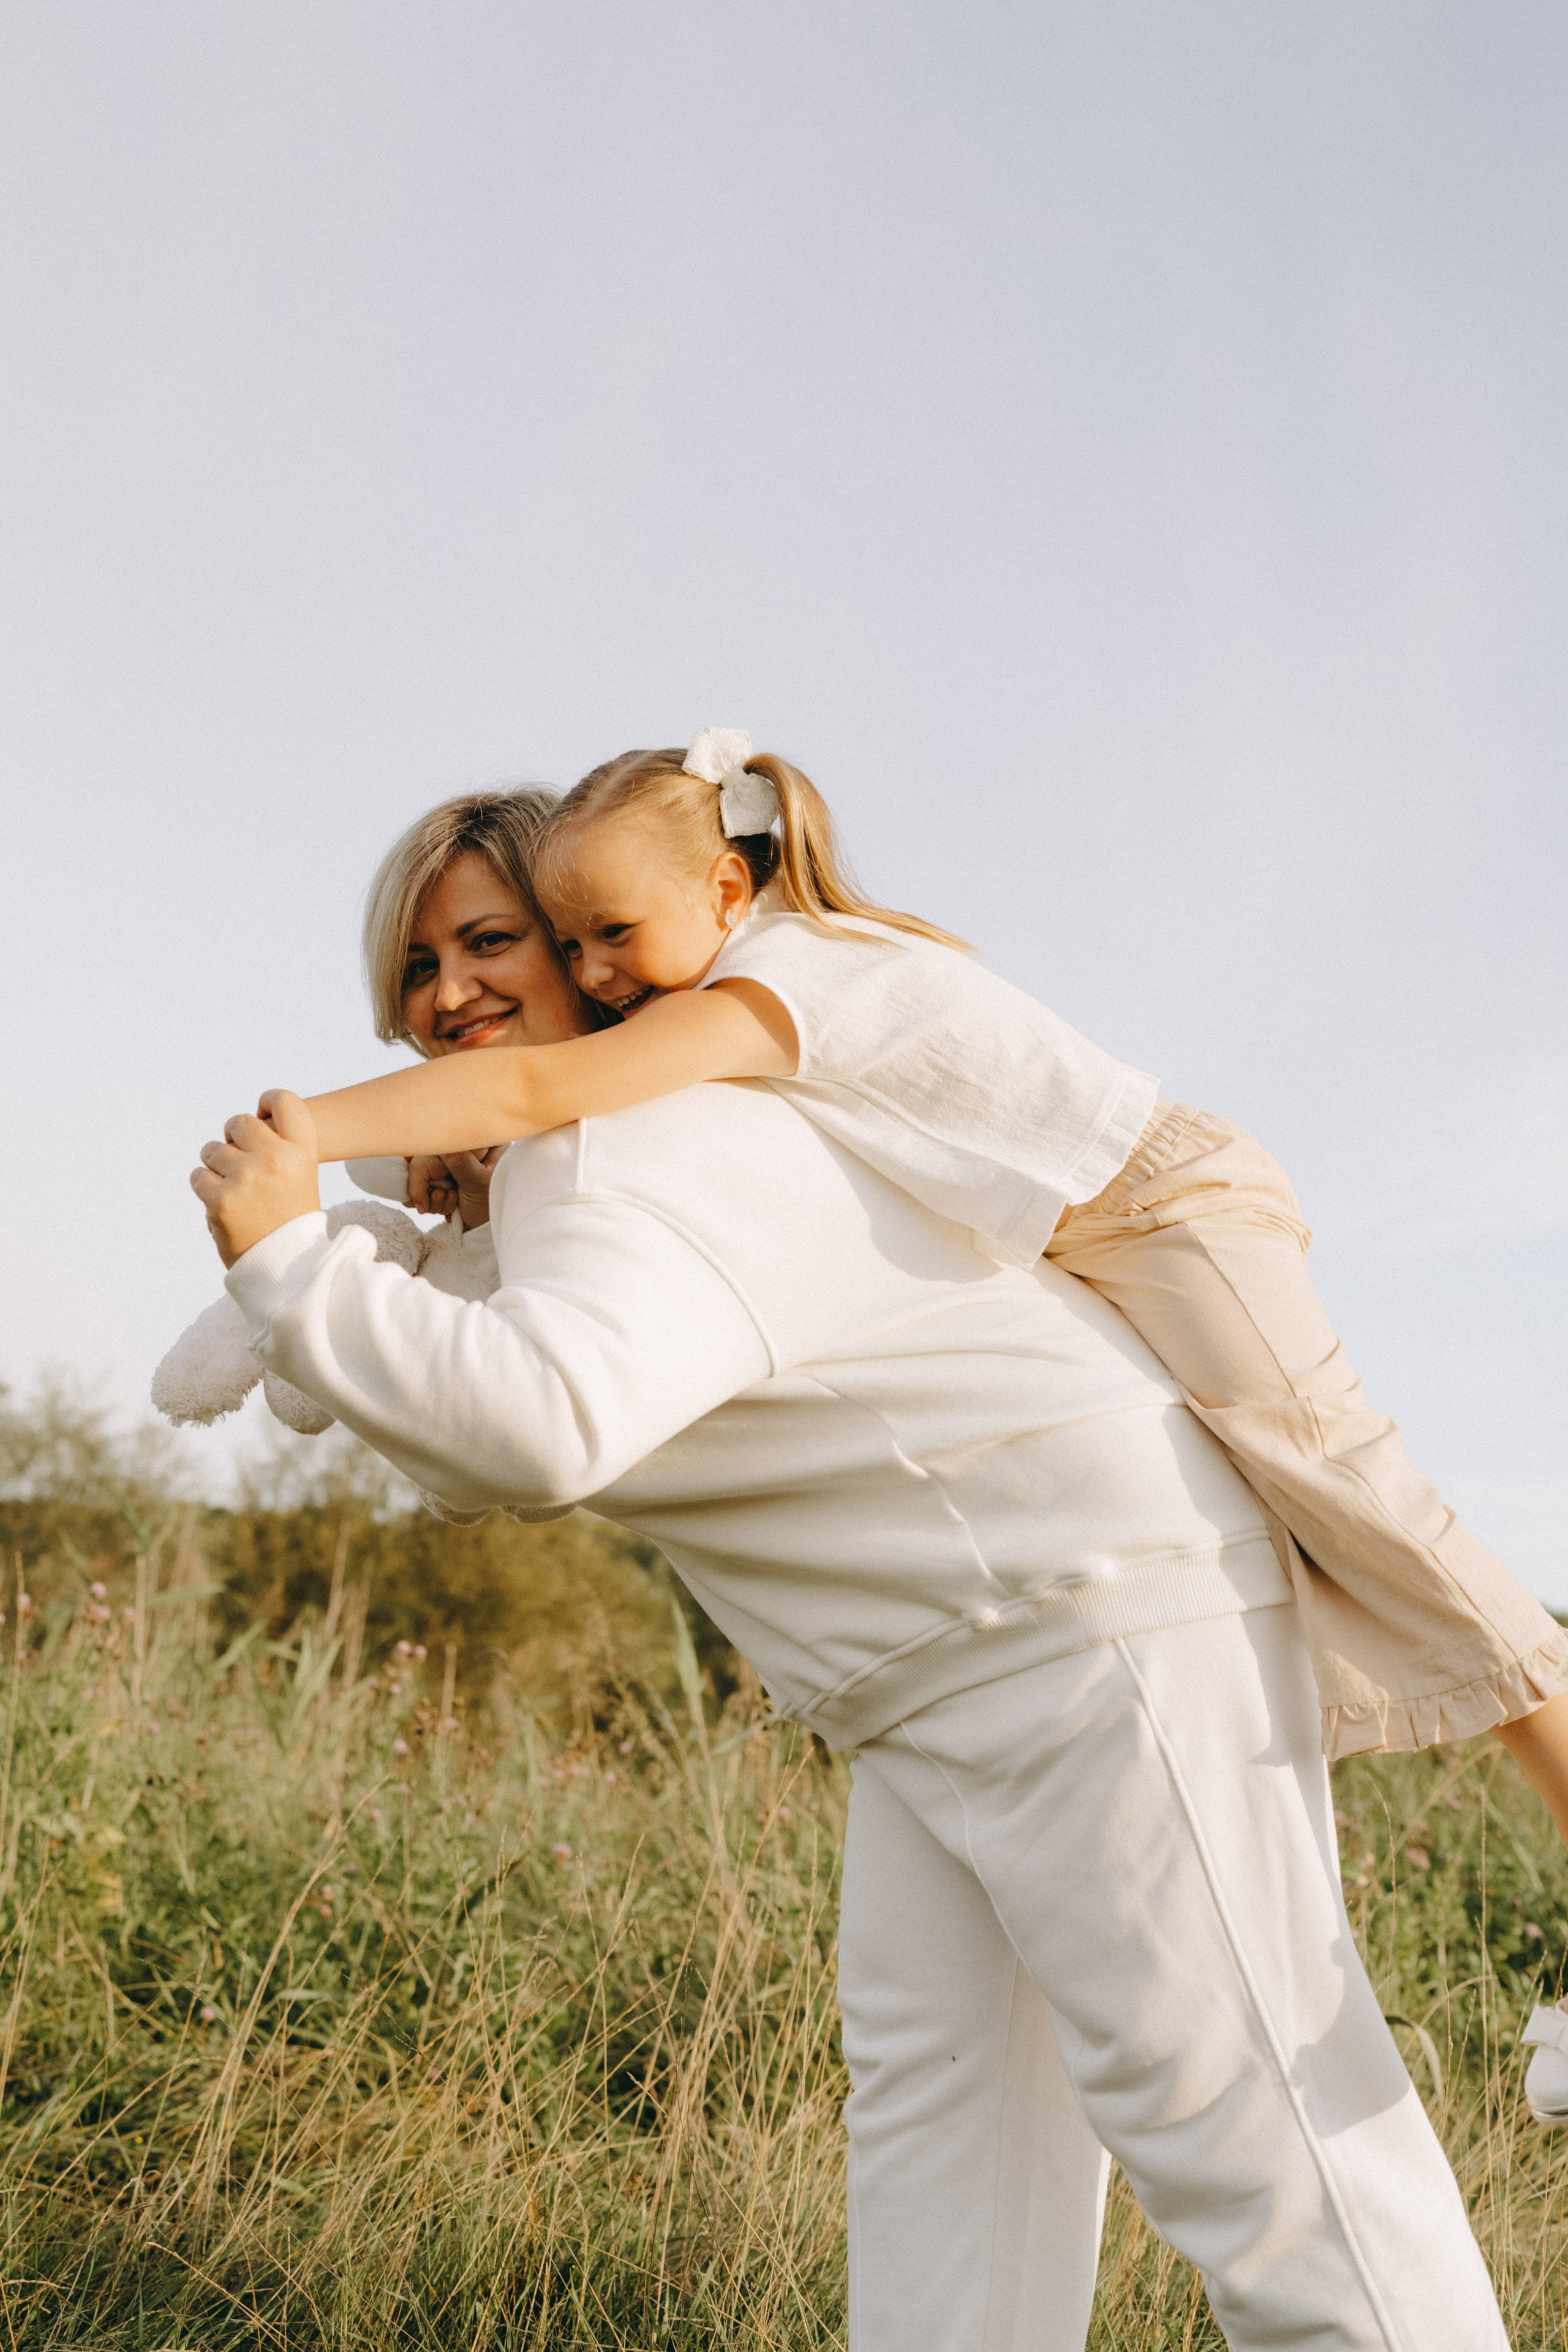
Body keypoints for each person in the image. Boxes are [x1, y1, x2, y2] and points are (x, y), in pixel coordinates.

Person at [190, 788, 1514, 2350]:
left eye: (490, 942)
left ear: (587, 953)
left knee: (1258, 2140)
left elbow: (534, 1430)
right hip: (948, 1669)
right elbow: (480, 1426)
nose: (448, 991)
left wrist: (286, 1259)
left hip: (1086, 1623)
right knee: (946, 2164)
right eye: (417, 966)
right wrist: (386, 1253)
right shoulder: (568, 1166)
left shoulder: (627, 1143)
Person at [288, 733, 1568, 1817]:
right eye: (572, 947)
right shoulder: (748, 990)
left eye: (606, 935)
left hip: (1169, 1206)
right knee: (1293, 1508)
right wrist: (444, 1161)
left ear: (727, 890)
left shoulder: (770, 988)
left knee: (1343, 1481)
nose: (595, 974)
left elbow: (542, 1084)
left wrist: (298, 1136)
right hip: (1101, 1235)